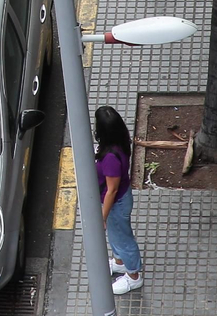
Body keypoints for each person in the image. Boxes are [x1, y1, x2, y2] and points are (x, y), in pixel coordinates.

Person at [96, 105, 143, 293]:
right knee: (116, 236)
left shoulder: (111, 158)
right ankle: (119, 262)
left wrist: (102, 217)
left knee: (123, 239)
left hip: (116, 204)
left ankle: (133, 276)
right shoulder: (120, 144)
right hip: (120, 200)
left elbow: (112, 190)